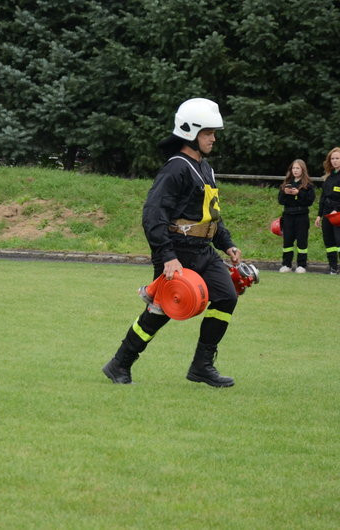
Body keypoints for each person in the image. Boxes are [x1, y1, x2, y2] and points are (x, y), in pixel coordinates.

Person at [102, 98, 242, 387]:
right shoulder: (175, 168)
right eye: (208, 133)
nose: (213, 138)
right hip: (177, 251)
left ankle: (202, 367)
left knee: (227, 296)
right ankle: (120, 363)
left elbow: (209, 215)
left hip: (203, 251)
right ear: (190, 132)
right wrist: (167, 256)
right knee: (160, 312)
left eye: (213, 133)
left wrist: (226, 243)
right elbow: (153, 215)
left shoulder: (205, 168)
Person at [314, 147, 340, 274]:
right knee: (329, 240)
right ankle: (333, 267)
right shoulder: (329, 177)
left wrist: (337, 209)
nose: (334, 161)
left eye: (337, 158)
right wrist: (319, 215)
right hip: (327, 212)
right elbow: (323, 197)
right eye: (332, 158)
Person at [277, 159, 315, 273]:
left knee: (302, 241)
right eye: (293, 168)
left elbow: (310, 201)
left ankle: (301, 265)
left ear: (303, 170)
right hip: (288, 215)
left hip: (301, 216)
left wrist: (299, 193)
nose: (295, 170)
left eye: (298, 168)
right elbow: (280, 200)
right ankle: (286, 264)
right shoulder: (286, 183)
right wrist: (285, 192)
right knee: (287, 241)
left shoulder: (308, 185)